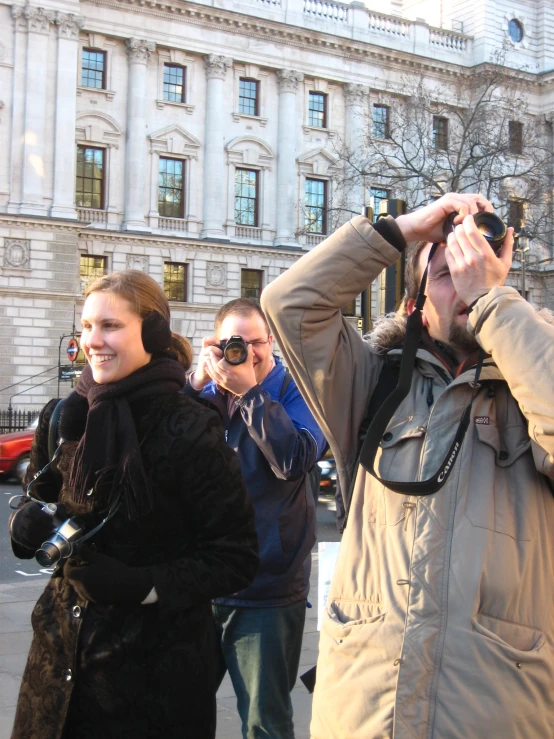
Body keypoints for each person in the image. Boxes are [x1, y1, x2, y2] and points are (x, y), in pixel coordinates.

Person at [262, 193, 554, 738]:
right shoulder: (371, 384)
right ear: (417, 302)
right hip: (367, 710)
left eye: (477, 269)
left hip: (494, 710)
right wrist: (401, 232)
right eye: (446, 272)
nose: (465, 282)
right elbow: (290, 305)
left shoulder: (531, 380)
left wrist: (492, 302)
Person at [8, 270, 259, 739]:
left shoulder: (190, 428)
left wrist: (143, 585)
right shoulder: (63, 415)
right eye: (86, 326)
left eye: (109, 326)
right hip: (57, 674)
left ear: (152, 332)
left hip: (153, 688)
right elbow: (36, 496)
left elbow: (236, 557)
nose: (92, 341)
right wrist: (24, 522)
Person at [184, 298, 327, 739]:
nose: (246, 353)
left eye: (256, 343)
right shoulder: (203, 397)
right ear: (215, 345)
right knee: (177, 710)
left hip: (265, 590)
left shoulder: (297, 390)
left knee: (264, 722)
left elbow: (295, 457)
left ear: (271, 343)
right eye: (233, 344)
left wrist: (250, 395)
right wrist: (193, 384)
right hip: (199, 584)